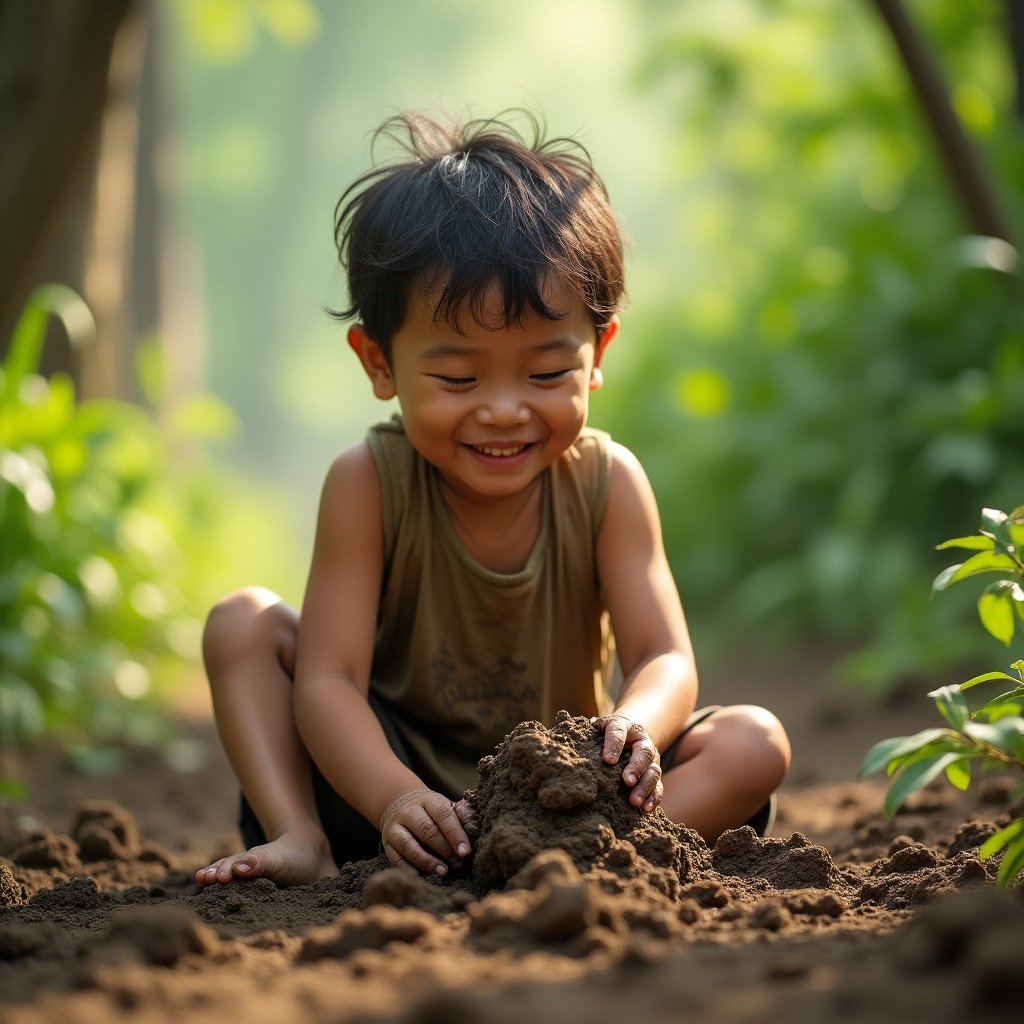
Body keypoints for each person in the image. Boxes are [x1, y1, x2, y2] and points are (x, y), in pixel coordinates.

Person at [195, 111, 791, 888]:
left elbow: (663, 655)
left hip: (569, 794)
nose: (505, 409)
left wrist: (636, 730)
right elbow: (329, 680)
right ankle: (298, 839)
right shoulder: (369, 482)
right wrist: (396, 797)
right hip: (384, 793)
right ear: (379, 363)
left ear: (598, 354)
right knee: (242, 622)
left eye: (546, 375)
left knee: (755, 742)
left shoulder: (607, 483)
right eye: (458, 378)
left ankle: (578, 857)